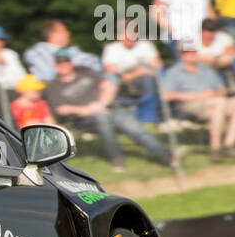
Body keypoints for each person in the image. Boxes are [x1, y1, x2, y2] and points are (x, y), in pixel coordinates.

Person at [45, 53, 176, 172]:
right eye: (60, 63)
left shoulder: (85, 72)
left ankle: (168, 158)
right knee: (102, 118)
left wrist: (102, 103)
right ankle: (117, 159)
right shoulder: (54, 86)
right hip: (84, 118)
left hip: (108, 107)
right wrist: (90, 109)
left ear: (70, 63)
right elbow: (61, 109)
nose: (64, 65)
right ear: (55, 66)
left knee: (134, 128)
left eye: (66, 62)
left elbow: (108, 84)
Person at [162, 44, 235, 162]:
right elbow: (166, 95)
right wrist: (197, 96)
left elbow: (222, 89)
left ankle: (229, 144)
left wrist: (218, 93)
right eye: (187, 53)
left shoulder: (206, 69)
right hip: (190, 104)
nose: (191, 55)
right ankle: (215, 147)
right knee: (219, 103)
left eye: (193, 52)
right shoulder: (174, 72)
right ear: (180, 55)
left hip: (215, 101)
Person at [101, 20, 163, 103]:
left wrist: (144, 71)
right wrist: (138, 72)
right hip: (122, 83)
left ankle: (149, 107)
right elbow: (112, 74)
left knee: (149, 78)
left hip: (144, 80)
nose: (130, 37)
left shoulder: (145, 45)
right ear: (118, 36)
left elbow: (159, 67)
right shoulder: (112, 49)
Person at [24, 20, 104, 81]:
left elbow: (96, 65)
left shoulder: (72, 50)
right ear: (52, 34)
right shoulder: (38, 52)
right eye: (64, 31)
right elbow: (49, 75)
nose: (68, 33)